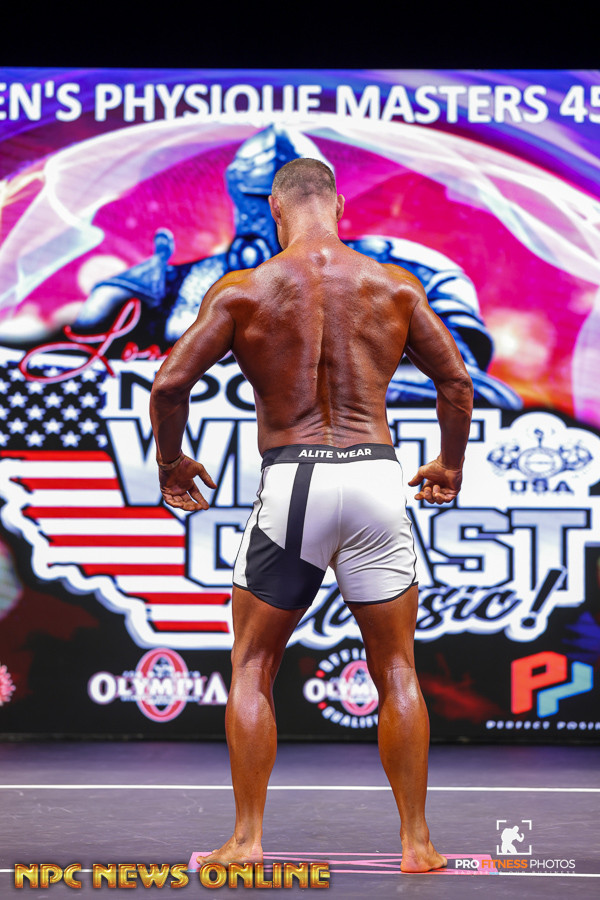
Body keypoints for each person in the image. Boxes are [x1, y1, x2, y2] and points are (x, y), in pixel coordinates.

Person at [149, 158, 473, 874]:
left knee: (253, 665)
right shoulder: (394, 286)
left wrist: (171, 463)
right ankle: (418, 844)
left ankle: (246, 840)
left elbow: (170, 384)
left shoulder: (245, 290)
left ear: (274, 208)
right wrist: (449, 465)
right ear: (339, 205)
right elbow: (455, 380)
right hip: (377, 478)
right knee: (397, 668)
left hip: (294, 480)